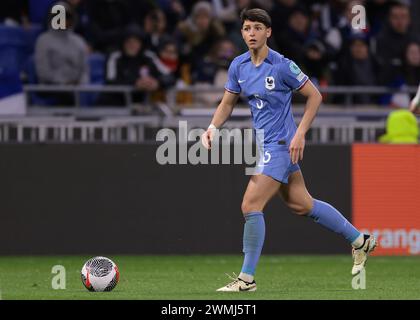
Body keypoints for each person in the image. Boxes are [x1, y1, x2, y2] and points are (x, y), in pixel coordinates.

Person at [201, 8, 377, 292]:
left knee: (250, 205)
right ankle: (360, 240)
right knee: (302, 204)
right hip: (267, 145)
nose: (252, 33)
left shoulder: (282, 65)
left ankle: (247, 279)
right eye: (247, 28)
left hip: (281, 145)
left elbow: (315, 96)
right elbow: (227, 103)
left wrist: (300, 133)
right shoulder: (238, 66)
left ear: (268, 32)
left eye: (258, 28)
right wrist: (212, 127)